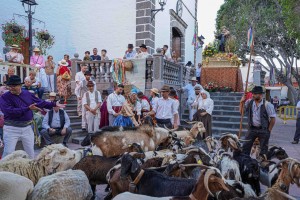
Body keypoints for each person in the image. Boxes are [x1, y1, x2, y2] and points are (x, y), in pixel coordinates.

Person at [0, 75, 65, 158]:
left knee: (30, 152)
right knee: (8, 153)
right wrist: (27, 108)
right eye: (10, 86)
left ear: (20, 85)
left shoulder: (27, 94)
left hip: (27, 127)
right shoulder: (4, 97)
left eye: (14, 86)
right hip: (11, 128)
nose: (11, 88)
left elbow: (40, 102)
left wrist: (54, 104)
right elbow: (9, 111)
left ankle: (31, 170)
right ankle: (3, 170)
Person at [239, 86, 276, 160]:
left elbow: (273, 119)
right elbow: (242, 112)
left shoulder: (267, 105)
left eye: (256, 94)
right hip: (252, 128)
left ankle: (262, 166)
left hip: (263, 129)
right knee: (245, 146)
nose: (254, 95)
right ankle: (245, 162)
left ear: (261, 95)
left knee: (263, 149)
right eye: (253, 93)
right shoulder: (249, 102)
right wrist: (241, 102)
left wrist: (268, 130)